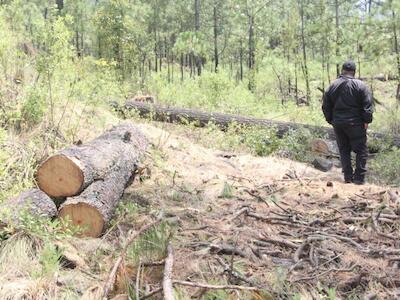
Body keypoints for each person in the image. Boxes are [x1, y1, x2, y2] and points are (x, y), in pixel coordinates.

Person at [322, 61, 373, 185]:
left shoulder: (332, 85)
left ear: (342, 70)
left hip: (338, 123)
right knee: (361, 150)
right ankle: (359, 179)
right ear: (354, 72)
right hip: (355, 123)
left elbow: (325, 106)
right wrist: (367, 120)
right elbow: (367, 106)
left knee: (344, 149)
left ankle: (348, 177)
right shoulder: (361, 85)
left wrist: (331, 120)